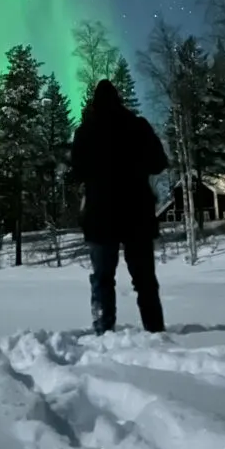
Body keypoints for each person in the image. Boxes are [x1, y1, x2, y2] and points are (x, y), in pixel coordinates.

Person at [71, 78, 168, 335]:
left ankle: (104, 331)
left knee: (103, 279)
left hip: (100, 216)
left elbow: (76, 171)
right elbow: (159, 162)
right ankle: (155, 330)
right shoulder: (138, 127)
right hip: (137, 214)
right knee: (145, 280)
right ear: (119, 101)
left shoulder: (85, 132)